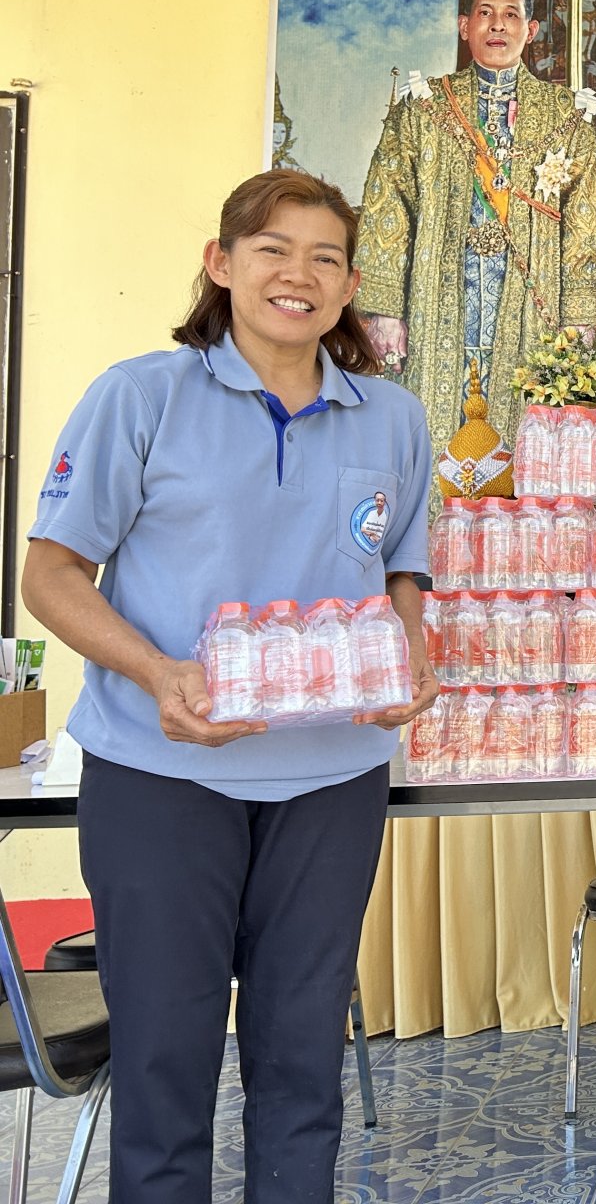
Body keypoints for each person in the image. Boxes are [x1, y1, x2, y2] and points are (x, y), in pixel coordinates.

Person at [21, 170, 439, 1203]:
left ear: (348, 289)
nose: (298, 276)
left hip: (331, 777)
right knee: (166, 1059)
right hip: (163, 772)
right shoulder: (141, 397)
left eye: (325, 259)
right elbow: (49, 574)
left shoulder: (390, 418)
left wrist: (411, 647)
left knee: (303, 1059)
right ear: (221, 264)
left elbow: (401, 573)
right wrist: (158, 673)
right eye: (272, 250)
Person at [358, 0, 596, 454]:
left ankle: (517, 529)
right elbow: (386, 208)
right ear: (463, 26)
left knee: (529, 438)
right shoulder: (424, 109)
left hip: (534, 301)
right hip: (437, 295)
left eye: (511, 15)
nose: (498, 26)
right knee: (432, 429)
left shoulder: (566, 115)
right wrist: (385, 311)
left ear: (530, 30)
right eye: (485, 14)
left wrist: (580, 317)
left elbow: (584, 221)